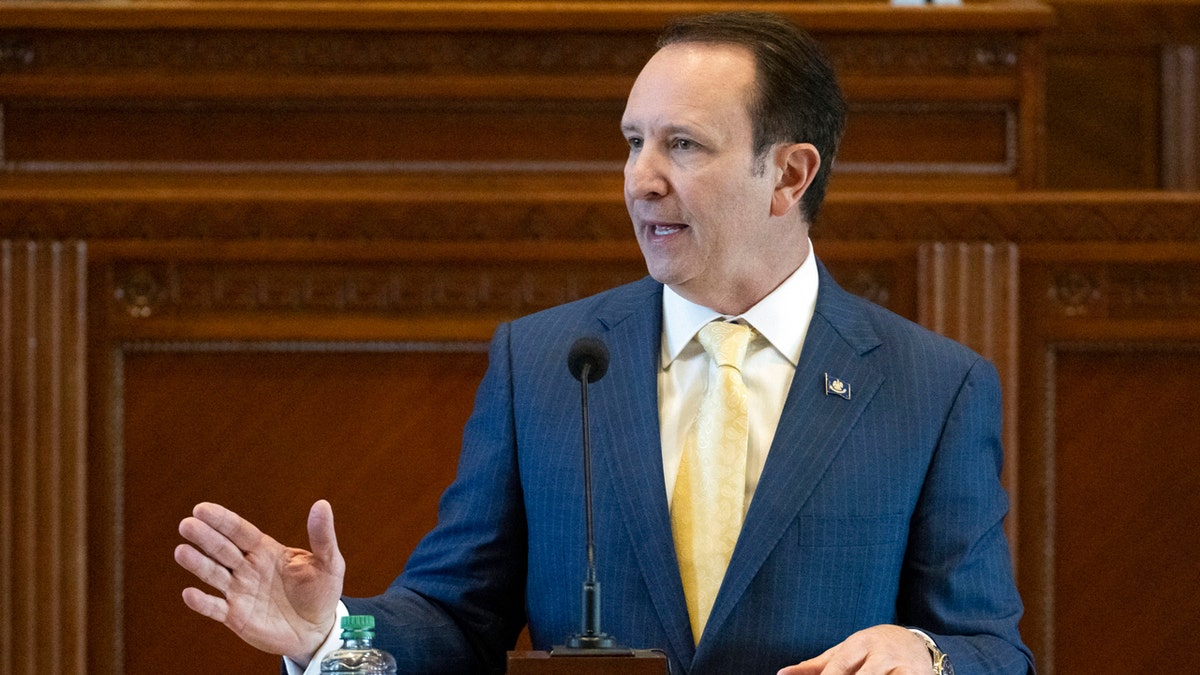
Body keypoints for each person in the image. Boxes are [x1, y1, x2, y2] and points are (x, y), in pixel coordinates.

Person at [175, 12, 1034, 675]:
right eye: (633, 142)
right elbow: (451, 617)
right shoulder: (544, 362)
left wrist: (929, 655)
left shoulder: (933, 386)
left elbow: (991, 646)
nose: (640, 178)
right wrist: (333, 631)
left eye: (683, 145)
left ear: (789, 174)